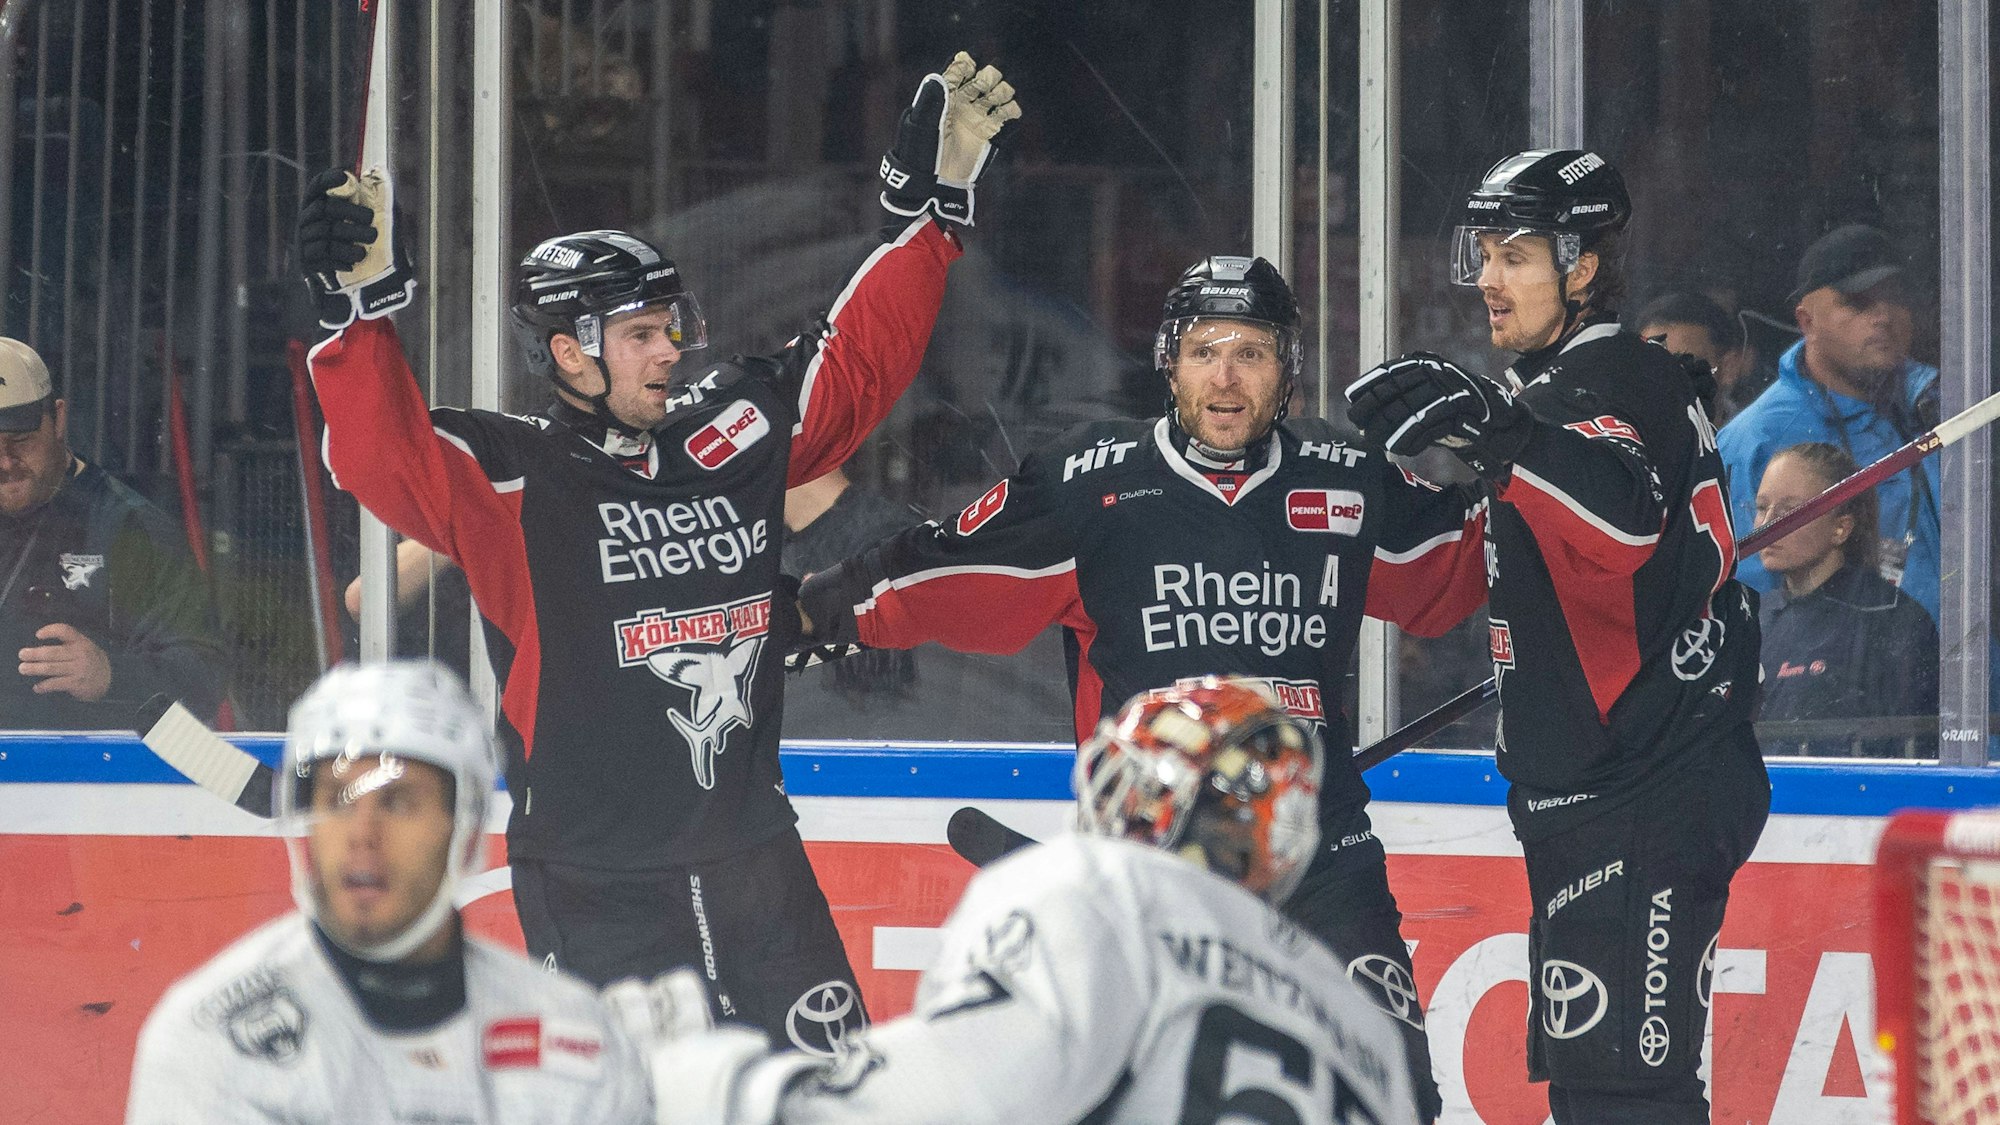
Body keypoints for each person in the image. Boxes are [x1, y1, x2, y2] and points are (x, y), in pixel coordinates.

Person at [293, 52, 1020, 1050]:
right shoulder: (515, 475)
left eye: (670, 325)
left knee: (834, 1096)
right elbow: (383, 456)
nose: (669, 348)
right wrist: (354, 318)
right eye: (639, 333)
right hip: (595, 880)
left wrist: (926, 226)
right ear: (568, 352)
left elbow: (851, 368)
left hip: (755, 860)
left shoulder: (730, 429)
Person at [797, 254, 1491, 1119]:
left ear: (1288, 369)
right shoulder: (1092, 481)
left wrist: (1521, 453)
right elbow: (945, 571)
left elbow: (1462, 564)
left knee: (1395, 1092)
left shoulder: (1343, 476)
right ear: (1170, 363)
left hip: (1322, 856)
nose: (1226, 377)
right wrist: (816, 612)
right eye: (1205, 351)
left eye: (1251, 352)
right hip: (1153, 864)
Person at [1345, 148, 1769, 1124]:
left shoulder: (1602, 378)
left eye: (1515, 256)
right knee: (1599, 1088)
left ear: (1581, 268)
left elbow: (1620, 527)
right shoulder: (1578, 387)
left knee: (1625, 1095)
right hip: (1611, 790)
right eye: (1482, 253)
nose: (1486, 279)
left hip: (1644, 784)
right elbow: (1456, 575)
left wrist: (1499, 434)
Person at [622, 677, 1421, 1125]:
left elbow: (944, 1096)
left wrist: (704, 1079)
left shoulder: (1098, 889)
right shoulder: (1357, 1024)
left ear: (1143, 800)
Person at [125, 661, 653, 1123]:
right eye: (338, 800)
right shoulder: (212, 1038)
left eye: (398, 803)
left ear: (465, 831)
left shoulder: (573, 1036)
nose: (362, 834)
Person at [0, 336, 226, 729]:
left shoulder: (127, 526)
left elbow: (204, 676)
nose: (5, 462)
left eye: (20, 441)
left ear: (59, 419)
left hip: (90, 765)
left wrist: (111, 675)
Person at [1717, 224, 1940, 619]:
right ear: (1807, 321)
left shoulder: (1941, 405)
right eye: (1857, 303)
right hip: (1841, 658)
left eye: (1895, 299)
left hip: (1967, 654)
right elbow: (1752, 608)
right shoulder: (1757, 438)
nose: (1883, 317)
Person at [1753, 442, 1938, 757]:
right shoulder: (1752, 617)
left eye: (1788, 510)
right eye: (1761, 507)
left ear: (1841, 527)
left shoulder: (1891, 619)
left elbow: (1914, 753)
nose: (1768, 523)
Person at [1635, 291, 1755, 424]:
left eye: (1685, 366)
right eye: (1652, 366)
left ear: (1729, 367)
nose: (1665, 382)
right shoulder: (1625, 429)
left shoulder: (1755, 432)